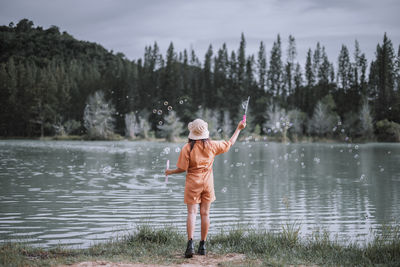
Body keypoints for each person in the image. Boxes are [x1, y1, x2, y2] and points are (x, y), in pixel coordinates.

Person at [165, 118, 246, 258]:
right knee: (205, 214)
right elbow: (230, 143)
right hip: (208, 184)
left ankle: (190, 244)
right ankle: (202, 246)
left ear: (192, 133)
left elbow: (182, 168)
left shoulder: (187, 148)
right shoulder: (212, 145)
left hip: (192, 184)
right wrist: (238, 128)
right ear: (205, 133)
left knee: (192, 213)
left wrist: (169, 172)